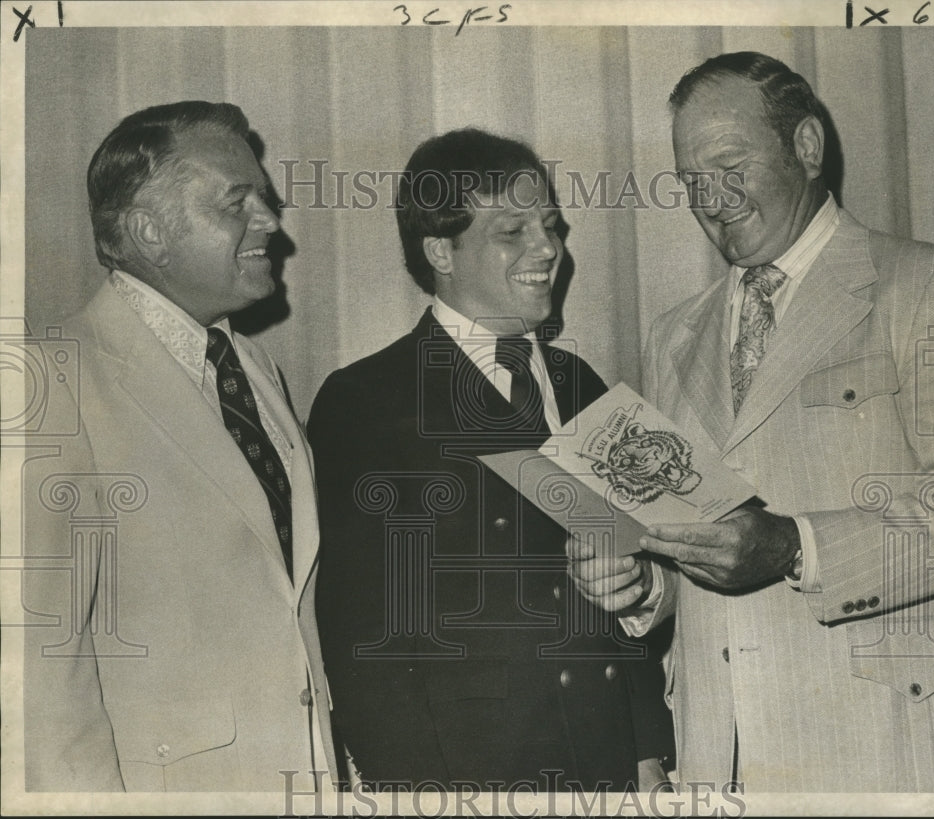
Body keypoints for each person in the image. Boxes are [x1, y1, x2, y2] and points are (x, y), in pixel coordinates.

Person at [568, 52, 934, 792]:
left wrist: (796, 546)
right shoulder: (673, 335)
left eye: (729, 164)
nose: (711, 197)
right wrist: (636, 580)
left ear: (808, 147)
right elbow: (687, 545)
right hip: (717, 761)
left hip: (877, 751)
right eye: (692, 181)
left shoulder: (930, 284)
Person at [308, 127, 674, 792]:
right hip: (474, 775)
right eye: (513, 231)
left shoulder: (582, 382)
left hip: (609, 763)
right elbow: (364, 643)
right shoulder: (365, 400)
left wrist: (647, 748)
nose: (548, 249)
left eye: (551, 226)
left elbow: (625, 581)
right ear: (441, 250)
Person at [22, 101, 337, 792]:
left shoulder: (256, 369)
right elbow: (38, 682)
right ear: (148, 232)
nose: (272, 223)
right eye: (238, 202)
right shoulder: (51, 381)